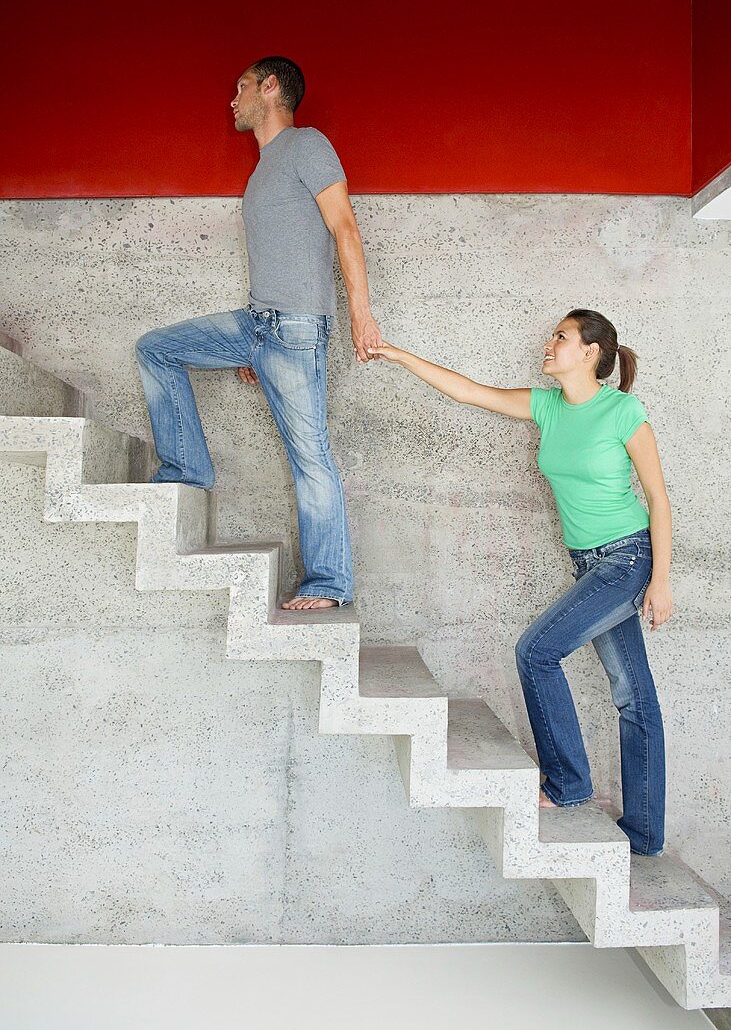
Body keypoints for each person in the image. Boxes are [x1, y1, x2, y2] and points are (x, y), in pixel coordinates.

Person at [368, 309, 671, 856]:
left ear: (590, 353)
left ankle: (568, 785)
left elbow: (658, 500)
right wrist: (399, 355)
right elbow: (468, 392)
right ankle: (644, 837)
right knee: (633, 696)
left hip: (628, 561)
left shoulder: (624, 412)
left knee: (536, 651)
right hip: (590, 564)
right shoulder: (549, 407)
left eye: (562, 337)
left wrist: (662, 581)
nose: (549, 343)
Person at [136, 56, 383, 610]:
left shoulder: (307, 144)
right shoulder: (263, 167)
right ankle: (187, 470)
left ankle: (327, 582)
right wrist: (250, 348)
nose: (233, 100)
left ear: (270, 89)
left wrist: (360, 316)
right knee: (156, 349)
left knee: (310, 456)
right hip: (257, 324)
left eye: (241, 87)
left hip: (296, 329)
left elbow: (344, 225)